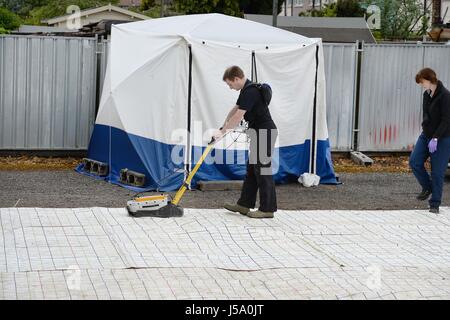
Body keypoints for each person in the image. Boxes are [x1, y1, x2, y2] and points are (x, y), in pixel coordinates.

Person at [213, 66, 278, 219]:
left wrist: (223, 133)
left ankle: (267, 209)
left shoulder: (251, 91)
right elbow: (234, 111)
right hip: (258, 133)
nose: (230, 87)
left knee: (263, 170)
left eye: (230, 84)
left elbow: (238, 117)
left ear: (236, 79)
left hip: (265, 132)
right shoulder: (245, 90)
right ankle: (244, 204)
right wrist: (222, 127)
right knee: (252, 170)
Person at [409, 68, 450, 214]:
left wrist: (436, 137)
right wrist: (426, 133)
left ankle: (435, 203)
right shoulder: (426, 94)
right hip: (426, 135)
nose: (421, 85)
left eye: (422, 82)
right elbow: (426, 116)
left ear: (430, 79)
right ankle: (427, 187)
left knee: (437, 172)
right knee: (414, 161)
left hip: (443, 138)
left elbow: (446, 120)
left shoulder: (445, 96)